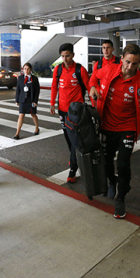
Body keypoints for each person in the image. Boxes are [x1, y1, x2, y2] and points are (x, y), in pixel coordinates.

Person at [89, 44, 140, 219]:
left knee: (124, 164)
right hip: (107, 126)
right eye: (127, 62)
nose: (129, 67)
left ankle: (121, 198)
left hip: (127, 128)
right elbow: (93, 78)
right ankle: (113, 181)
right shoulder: (109, 69)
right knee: (107, 163)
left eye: (134, 64)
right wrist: (93, 88)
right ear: (122, 59)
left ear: (139, 63)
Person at [50, 43, 90, 183]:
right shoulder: (58, 69)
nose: (65, 59)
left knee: (74, 139)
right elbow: (54, 87)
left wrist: (95, 105)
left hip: (76, 112)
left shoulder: (80, 70)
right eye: (62, 56)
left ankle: (73, 169)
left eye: (67, 56)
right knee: (68, 138)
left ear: (72, 55)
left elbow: (89, 87)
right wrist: (52, 104)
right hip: (62, 109)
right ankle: (74, 157)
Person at [13, 63, 40, 139]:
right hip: (22, 100)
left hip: (31, 100)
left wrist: (35, 101)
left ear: (30, 69)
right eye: (25, 68)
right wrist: (17, 100)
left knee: (33, 114)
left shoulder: (34, 79)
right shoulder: (20, 78)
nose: (26, 70)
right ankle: (17, 133)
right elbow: (18, 89)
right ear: (23, 69)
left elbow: (37, 91)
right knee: (21, 115)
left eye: (28, 69)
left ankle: (37, 128)